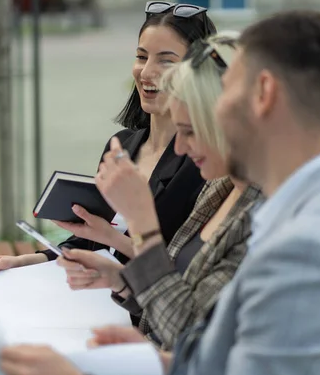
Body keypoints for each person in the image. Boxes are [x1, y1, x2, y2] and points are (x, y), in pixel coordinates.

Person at [0, 10, 320, 375]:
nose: (212, 112)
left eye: (227, 92)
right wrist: (162, 362)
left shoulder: (307, 248)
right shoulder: (312, 210)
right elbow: (227, 359)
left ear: (264, 94)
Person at [57, 32, 262, 351]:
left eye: (189, 131)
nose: (179, 146)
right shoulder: (221, 186)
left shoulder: (265, 214)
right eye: (141, 56)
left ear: (229, 121)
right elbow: (177, 300)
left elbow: (190, 337)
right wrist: (122, 281)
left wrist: (142, 223)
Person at [0, 1, 216, 278]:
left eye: (166, 60)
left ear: (198, 72)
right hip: (90, 294)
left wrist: (112, 239)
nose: (146, 71)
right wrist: (25, 261)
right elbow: (90, 242)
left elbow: (185, 267)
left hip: (142, 310)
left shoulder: (204, 162)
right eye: (141, 57)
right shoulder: (122, 146)